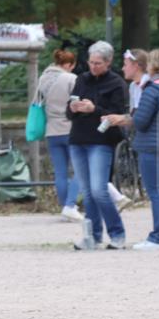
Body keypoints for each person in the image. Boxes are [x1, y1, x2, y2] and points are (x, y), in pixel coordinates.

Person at [104, 48, 159, 249]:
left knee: (156, 191)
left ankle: (158, 237)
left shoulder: (152, 90)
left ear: (153, 66)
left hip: (153, 146)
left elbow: (141, 122)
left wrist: (124, 120)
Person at [67, 40, 127, 250]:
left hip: (101, 141)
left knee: (99, 189)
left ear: (108, 62)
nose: (93, 66)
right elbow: (68, 111)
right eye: (91, 62)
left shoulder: (117, 83)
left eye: (98, 63)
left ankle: (117, 234)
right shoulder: (82, 79)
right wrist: (73, 107)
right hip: (78, 139)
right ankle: (92, 236)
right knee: (87, 191)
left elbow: (117, 114)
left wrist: (94, 109)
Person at [37, 49, 81, 221]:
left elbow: (38, 102)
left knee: (60, 173)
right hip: (70, 129)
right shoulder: (71, 78)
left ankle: (64, 207)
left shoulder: (43, 78)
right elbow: (76, 102)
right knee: (80, 170)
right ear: (69, 65)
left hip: (51, 131)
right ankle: (70, 205)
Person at [122, 49, 150, 113]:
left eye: (125, 65)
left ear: (136, 66)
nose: (123, 68)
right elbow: (133, 114)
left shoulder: (149, 84)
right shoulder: (133, 86)